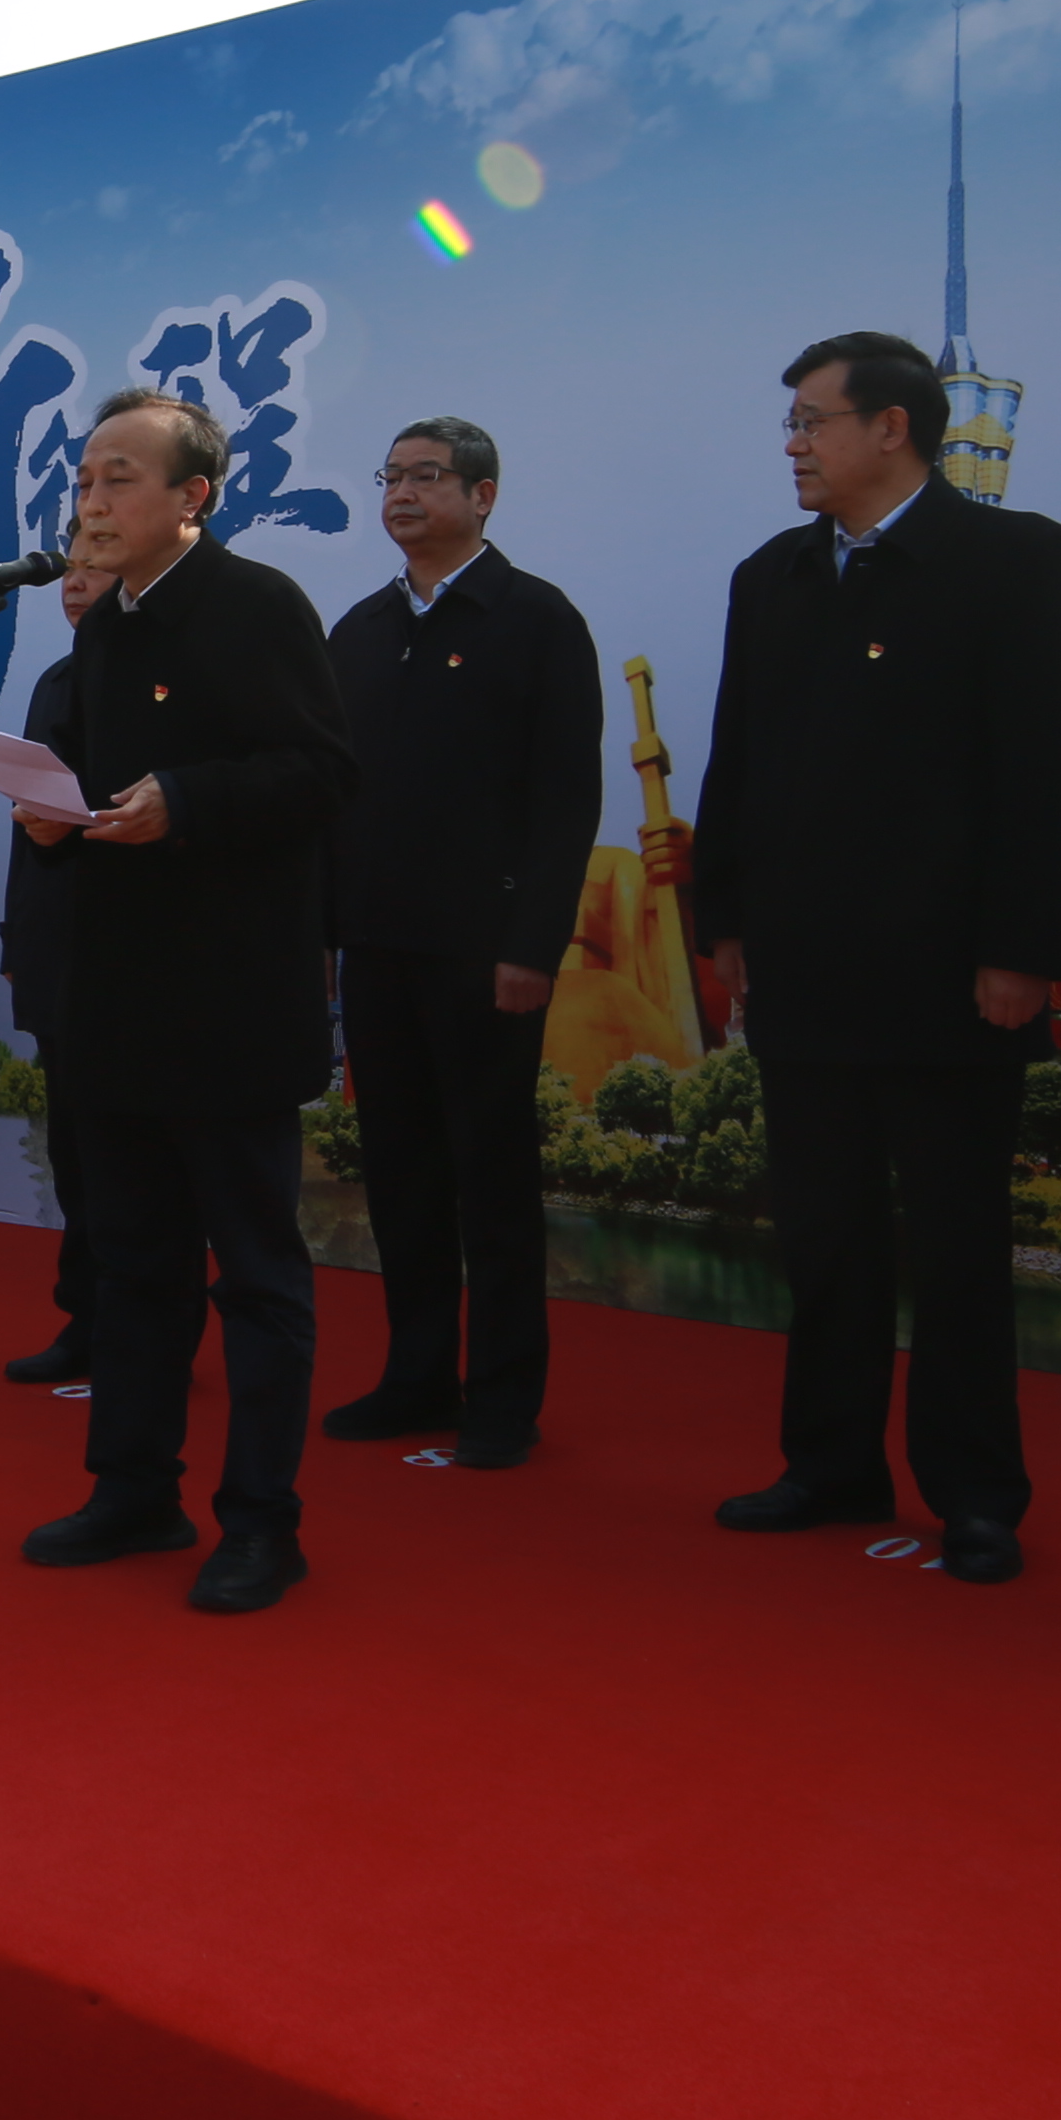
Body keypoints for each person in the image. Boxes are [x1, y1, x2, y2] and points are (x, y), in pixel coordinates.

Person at [685, 332, 1061, 1580]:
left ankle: (975, 1493)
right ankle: (829, 1462)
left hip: (954, 972)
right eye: (792, 424)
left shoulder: (1017, 560)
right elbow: (736, 757)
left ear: (892, 428)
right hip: (804, 965)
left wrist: (1023, 948)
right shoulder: (773, 574)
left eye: (812, 421)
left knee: (958, 1245)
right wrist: (724, 920)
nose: (793, 445)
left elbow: (1048, 772)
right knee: (824, 1237)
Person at [8, 388, 360, 1614]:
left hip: (230, 1006)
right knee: (133, 1263)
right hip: (116, 1000)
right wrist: (54, 819)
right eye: (83, 481)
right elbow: (98, 790)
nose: (91, 503)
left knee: (255, 1276)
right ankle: (133, 1490)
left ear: (192, 495)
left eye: (118, 479)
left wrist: (188, 801)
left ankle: (262, 1522)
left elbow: (320, 771)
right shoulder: (104, 627)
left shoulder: (257, 605)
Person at [321, 418, 607, 1468]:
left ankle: (503, 1397)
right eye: (391, 477)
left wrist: (533, 943)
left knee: (491, 1178)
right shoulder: (358, 629)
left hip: (486, 954)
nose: (401, 494)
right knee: (399, 1174)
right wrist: (325, 931)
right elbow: (330, 795)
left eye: (426, 477)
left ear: (483, 495)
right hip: (376, 946)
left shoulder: (535, 619)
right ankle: (417, 1377)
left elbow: (565, 800)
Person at [0, 564, 104, 1384]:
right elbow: (28, 829)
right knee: (73, 1153)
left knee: (131, 1164)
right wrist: (18, 939)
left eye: (99, 560)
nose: (77, 580)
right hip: (55, 943)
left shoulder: (161, 681)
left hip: (126, 950)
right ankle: (87, 1320)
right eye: (71, 566)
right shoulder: (56, 679)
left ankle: (145, 1330)